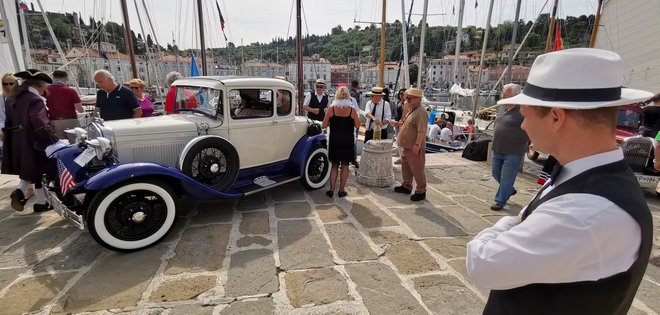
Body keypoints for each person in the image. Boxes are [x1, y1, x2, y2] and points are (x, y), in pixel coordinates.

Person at [466, 48, 653, 315]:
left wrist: (510, 223)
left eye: (526, 114)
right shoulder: (583, 175)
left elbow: (481, 263)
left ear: (556, 117)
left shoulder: (586, 213)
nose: (522, 125)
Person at [1, 69, 59, 212]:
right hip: (34, 141)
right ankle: (40, 201)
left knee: (34, 171)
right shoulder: (35, 99)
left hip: (17, 142)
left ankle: (29, 196)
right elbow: (39, 122)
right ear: (39, 85)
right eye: (45, 85)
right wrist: (52, 139)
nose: (46, 88)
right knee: (45, 169)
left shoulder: (13, 98)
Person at [489, 83, 528, 211]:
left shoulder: (524, 110)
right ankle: (509, 190)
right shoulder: (502, 107)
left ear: (515, 96)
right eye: (503, 94)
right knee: (496, 173)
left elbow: (531, 127)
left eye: (505, 94)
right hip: (498, 148)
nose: (502, 95)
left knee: (507, 177)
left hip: (514, 150)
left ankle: (500, 201)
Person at [322, 86, 361, 198]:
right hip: (347, 141)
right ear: (348, 96)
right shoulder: (352, 110)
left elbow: (324, 125)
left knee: (334, 165)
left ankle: (331, 189)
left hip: (335, 140)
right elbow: (358, 125)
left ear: (337, 95)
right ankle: (341, 190)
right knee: (345, 166)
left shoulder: (331, 109)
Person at [391, 88, 428, 201]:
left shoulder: (420, 112)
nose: (406, 100)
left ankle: (421, 191)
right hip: (406, 146)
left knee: (417, 169)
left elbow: (421, 131)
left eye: (409, 98)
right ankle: (406, 186)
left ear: (418, 99)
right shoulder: (412, 110)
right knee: (406, 167)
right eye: (406, 98)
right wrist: (398, 123)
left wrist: (417, 145)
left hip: (413, 147)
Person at [47, 70, 83, 140]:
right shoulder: (71, 91)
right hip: (70, 121)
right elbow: (80, 110)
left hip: (55, 122)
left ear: (53, 78)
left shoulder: (46, 90)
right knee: (76, 144)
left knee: (61, 145)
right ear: (66, 78)